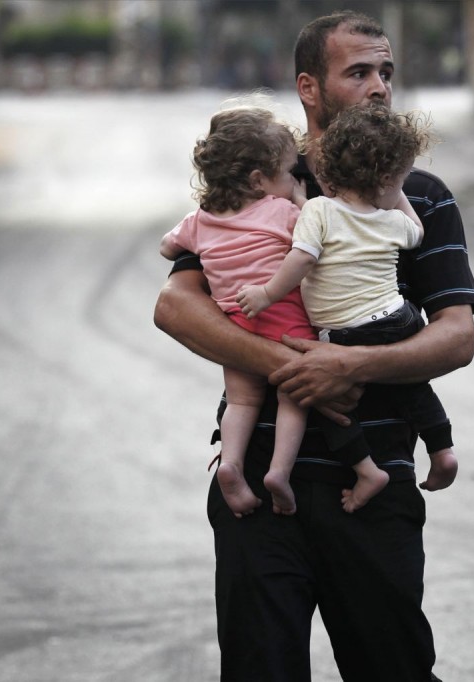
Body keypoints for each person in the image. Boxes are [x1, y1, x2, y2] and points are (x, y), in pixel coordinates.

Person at [154, 10, 474, 681]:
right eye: (359, 72)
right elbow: (176, 305)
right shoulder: (264, 174)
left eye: (386, 72)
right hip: (258, 494)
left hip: (373, 483)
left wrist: (352, 364)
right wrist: (291, 366)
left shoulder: (418, 195)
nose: (380, 88)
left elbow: (457, 335)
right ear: (310, 87)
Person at [236, 102, 459, 514]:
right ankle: (442, 448)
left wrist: (267, 294)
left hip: (340, 333)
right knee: (413, 387)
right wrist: (395, 197)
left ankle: (366, 470)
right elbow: (417, 231)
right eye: (401, 178)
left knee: (328, 405)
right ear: (388, 180)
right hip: (397, 318)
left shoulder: (318, 210)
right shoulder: (391, 220)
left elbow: (302, 258)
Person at [159, 105, 315, 518]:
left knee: (242, 402)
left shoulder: (201, 219)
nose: (292, 179)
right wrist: (301, 198)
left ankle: (231, 464)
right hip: (285, 319)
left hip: (238, 325)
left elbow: (167, 247)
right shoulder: (282, 210)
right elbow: (313, 239)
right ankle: (279, 472)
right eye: (286, 173)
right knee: (293, 397)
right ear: (258, 181)